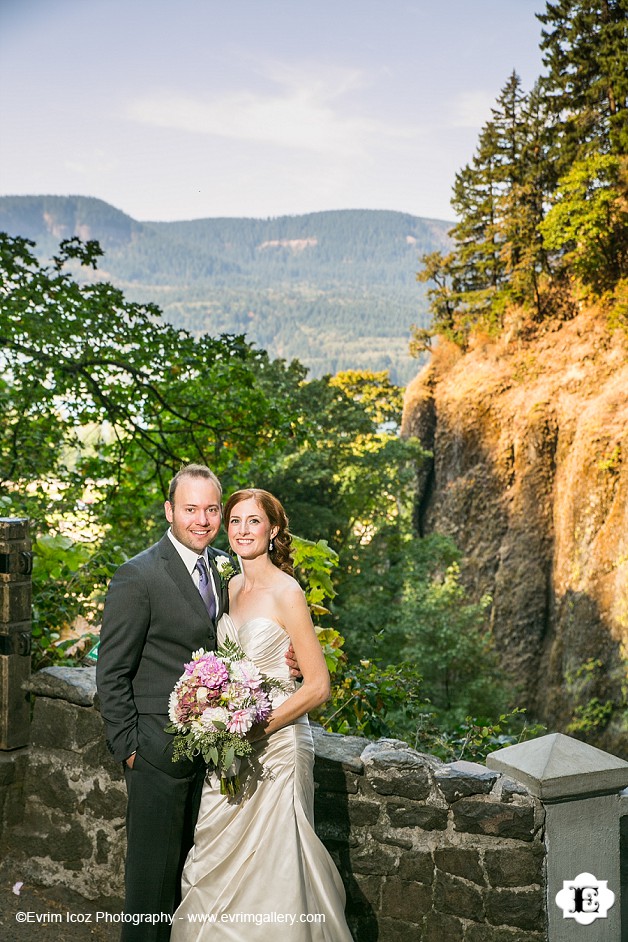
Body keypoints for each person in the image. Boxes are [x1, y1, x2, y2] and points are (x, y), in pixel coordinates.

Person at [96, 465, 300, 941]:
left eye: (212, 509)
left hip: (209, 763)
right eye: (191, 509)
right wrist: (131, 748)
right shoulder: (138, 575)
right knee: (148, 895)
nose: (203, 520)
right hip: (156, 758)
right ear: (170, 511)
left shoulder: (220, 571)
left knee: (190, 891)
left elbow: (238, 646)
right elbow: (112, 671)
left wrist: (283, 662)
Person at [171, 488, 353, 941]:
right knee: (212, 857)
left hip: (278, 746)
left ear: (273, 531)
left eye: (254, 522)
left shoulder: (287, 591)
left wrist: (254, 730)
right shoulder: (227, 586)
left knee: (276, 872)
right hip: (230, 743)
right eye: (235, 521)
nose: (242, 530)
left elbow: (318, 685)